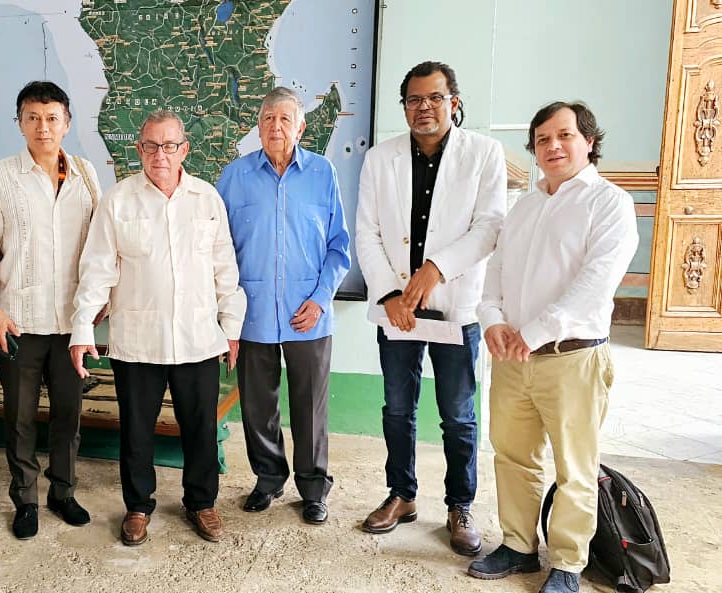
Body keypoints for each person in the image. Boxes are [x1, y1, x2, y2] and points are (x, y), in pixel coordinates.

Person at [467, 101, 638, 593]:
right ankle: (518, 547)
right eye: (542, 139)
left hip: (573, 358)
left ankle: (567, 563)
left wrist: (532, 332)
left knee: (574, 465)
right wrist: (494, 321)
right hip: (513, 359)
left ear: (589, 141)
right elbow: (494, 271)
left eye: (564, 135)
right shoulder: (525, 204)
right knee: (512, 455)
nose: (553, 146)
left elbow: (595, 283)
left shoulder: (609, 203)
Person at [69, 110, 246, 546]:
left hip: (199, 339)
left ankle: (201, 503)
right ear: (139, 150)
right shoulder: (118, 201)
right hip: (137, 342)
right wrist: (81, 328)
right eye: (150, 146)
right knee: (135, 431)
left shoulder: (207, 200)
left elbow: (225, 269)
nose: (160, 155)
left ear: (185, 149)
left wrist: (232, 327)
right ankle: (138, 506)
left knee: (200, 428)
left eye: (169, 146)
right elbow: (96, 271)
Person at [354, 61, 506, 555]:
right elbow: (368, 232)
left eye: (435, 98)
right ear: (404, 107)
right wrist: (390, 293)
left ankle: (460, 505)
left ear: (453, 103)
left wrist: (436, 268)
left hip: (455, 305)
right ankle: (402, 495)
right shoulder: (381, 158)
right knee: (397, 409)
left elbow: (489, 227)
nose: (424, 108)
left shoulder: (484, 154)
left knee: (458, 415)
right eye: (414, 100)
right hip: (397, 308)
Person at [0, 81, 101, 540]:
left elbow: (98, 247)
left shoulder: (86, 175)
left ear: (67, 122)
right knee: (19, 417)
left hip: (71, 323)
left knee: (69, 414)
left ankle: (62, 492)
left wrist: (96, 304)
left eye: (51, 118)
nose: (42, 127)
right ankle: (25, 499)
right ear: (20, 122)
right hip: (18, 320)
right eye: (32, 118)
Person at [216, 86, 350, 525]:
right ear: (258, 126)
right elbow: (219, 249)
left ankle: (313, 489)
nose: (276, 126)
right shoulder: (234, 177)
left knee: (310, 407)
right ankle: (268, 479)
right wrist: (225, 313)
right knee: (257, 404)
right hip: (252, 314)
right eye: (268, 118)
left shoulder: (322, 173)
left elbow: (338, 247)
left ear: (301, 126)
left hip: (308, 313)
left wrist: (320, 298)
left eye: (285, 119)